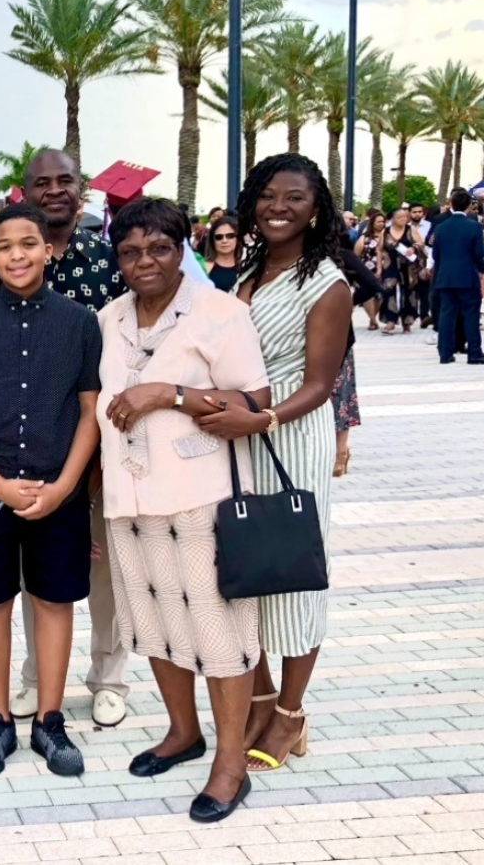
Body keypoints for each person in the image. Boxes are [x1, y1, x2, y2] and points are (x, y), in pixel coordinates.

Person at [98, 197, 270, 823]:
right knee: (156, 623)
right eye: (131, 251)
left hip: (202, 497)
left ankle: (229, 762)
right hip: (130, 499)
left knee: (219, 632)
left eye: (159, 249)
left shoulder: (220, 312)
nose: (144, 261)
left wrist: (166, 394)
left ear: (182, 251)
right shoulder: (109, 317)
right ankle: (182, 732)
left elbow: (254, 399)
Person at [199, 153, 350, 775]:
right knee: (246, 569)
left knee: (292, 570)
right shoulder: (249, 271)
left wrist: (259, 420)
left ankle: (289, 715)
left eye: (294, 198)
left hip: (289, 434)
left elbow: (321, 383)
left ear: (317, 210)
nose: (278, 208)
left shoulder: (328, 284)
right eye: (268, 196)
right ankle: (259, 698)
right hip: (242, 433)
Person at [0, 202, 102, 779]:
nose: (17, 255)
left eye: (28, 243)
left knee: (54, 601)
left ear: (48, 249)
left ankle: (51, 721)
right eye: (5, 246)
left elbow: (89, 414)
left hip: (58, 493)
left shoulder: (81, 323)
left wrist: (63, 488)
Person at [0, 149, 129, 728]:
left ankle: (109, 677)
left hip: (108, 441)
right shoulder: (3, 267)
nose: (56, 190)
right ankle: (38, 679)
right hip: (34, 452)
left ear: (81, 189)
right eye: (44, 182)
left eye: (66, 180)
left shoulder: (109, 259)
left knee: (106, 569)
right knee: (41, 574)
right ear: (26, 192)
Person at [334, 223, 387, 478]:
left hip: (339, 335)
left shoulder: (343, 256)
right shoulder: (298, 255)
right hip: (303, 334)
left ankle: (340, 451)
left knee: (341, 394)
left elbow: (372, 283)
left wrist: (349, 301)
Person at [434, 188, 484, 366]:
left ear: (451, 204)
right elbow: (479, 253)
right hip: (467, 276)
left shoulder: (440, 227)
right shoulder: (473, 226)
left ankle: (445, 353)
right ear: (468, 206)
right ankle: (474, 353)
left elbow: (436, 255)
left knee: (447, 315)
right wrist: (481, 269)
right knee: (471, 315)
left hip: (445, 277)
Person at [379, 207, 425, 335]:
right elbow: (380, 249)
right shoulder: (386, 231)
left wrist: (414, 248)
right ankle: (390, 320)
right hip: (390, 265)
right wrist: (379, 267)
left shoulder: (411, 229)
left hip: (408, 266)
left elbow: (421, 243)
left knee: (409, 292)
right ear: (392, 219)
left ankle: (407, 322)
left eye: (405, 217)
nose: (403, 219)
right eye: (399, 217)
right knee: (388, 291)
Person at [353, 210, 387, 331]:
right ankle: (372, 320)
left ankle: (373, 318)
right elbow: (356, 255)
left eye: (383, 221)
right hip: (366, 270)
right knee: (367, 296)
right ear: (372, 223)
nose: (381, 224)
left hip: (383, 270)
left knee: (379, 296)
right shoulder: (364, 238)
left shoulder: (388, 236)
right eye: (378, 221)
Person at [206, 216, 242, 292]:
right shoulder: (204, 268)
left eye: (230, 236)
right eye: (219, 237)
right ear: (212, 241)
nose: (224, 240)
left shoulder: (246, 266)